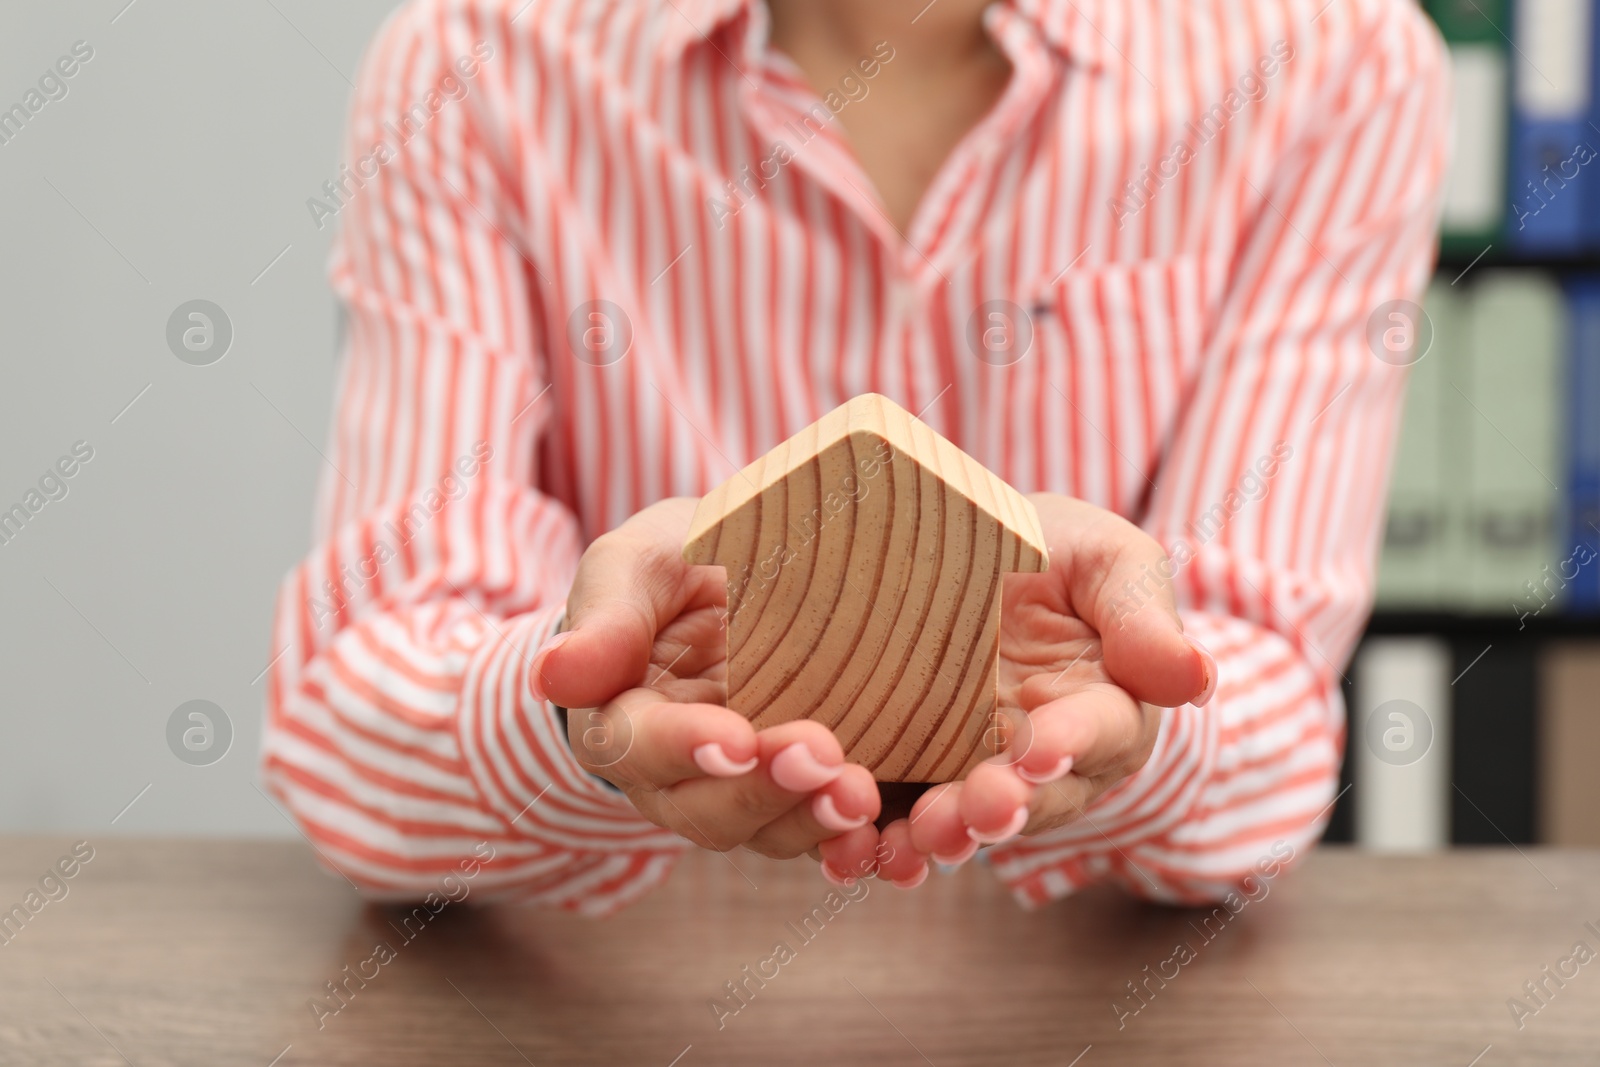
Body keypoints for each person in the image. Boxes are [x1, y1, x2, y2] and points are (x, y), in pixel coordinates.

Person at [263, 0, 1448, 914]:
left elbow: (1278, 730)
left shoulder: (1329, 59)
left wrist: (1130, 717)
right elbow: (350, 737)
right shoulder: (475, 59)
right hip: (613, 998)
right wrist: (585, 720)